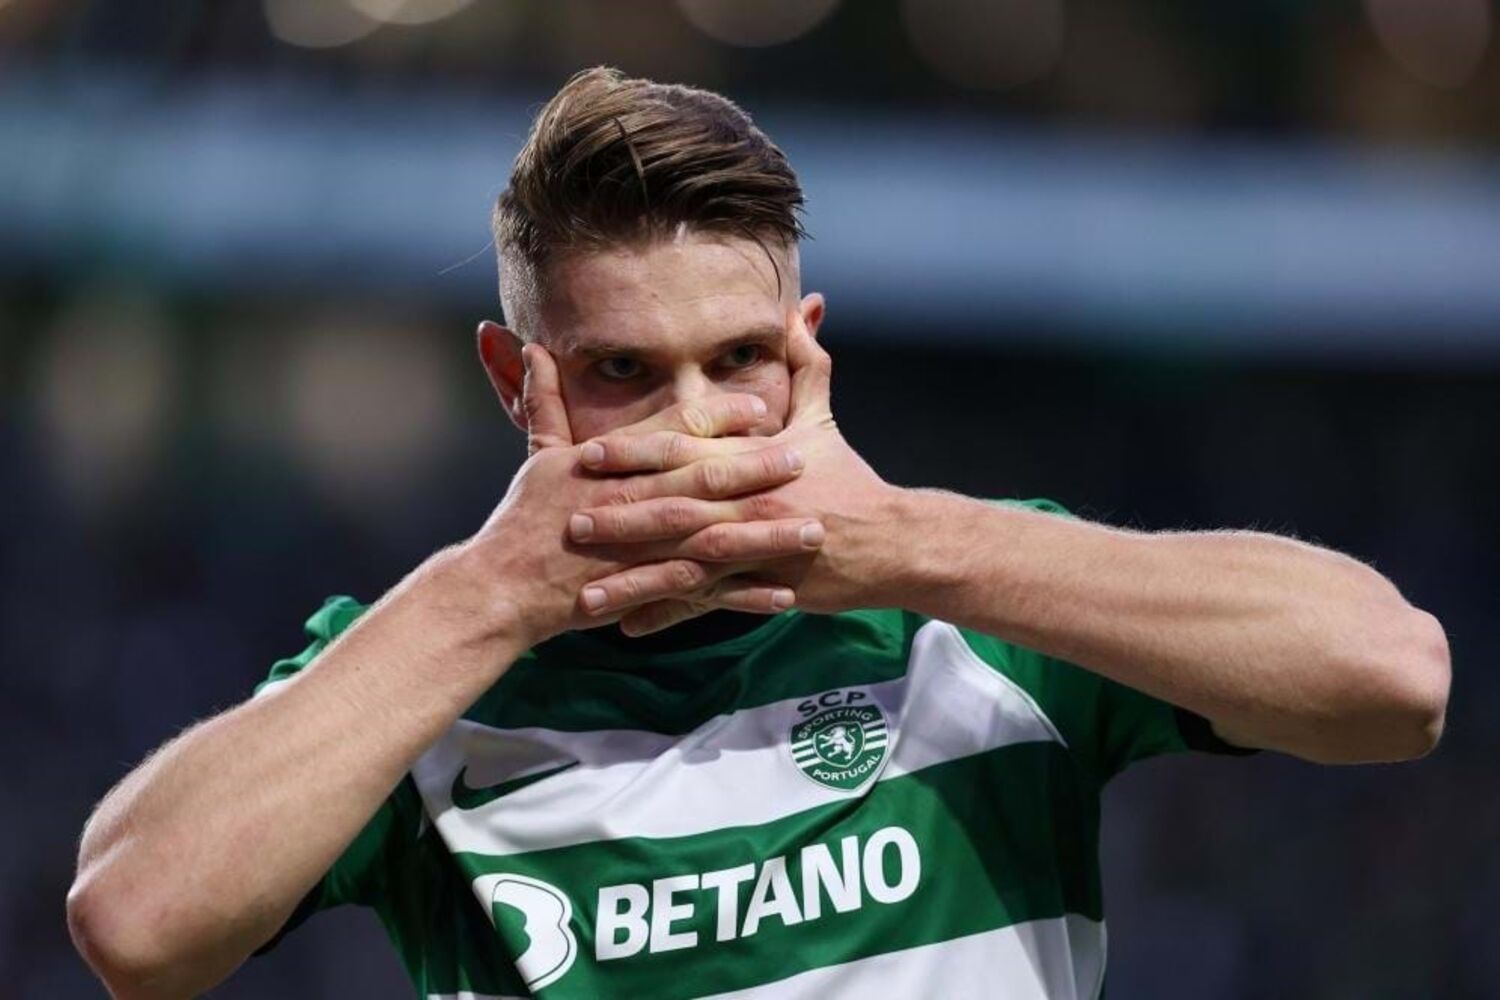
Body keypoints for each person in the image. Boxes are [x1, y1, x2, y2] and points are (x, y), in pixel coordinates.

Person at [67, 66, 1450, 1000]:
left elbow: (1393, 680)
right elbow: (135, 927)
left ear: (806, 349)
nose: (697, 425)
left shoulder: (983, 602)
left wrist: (911, 544)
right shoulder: (422, 679)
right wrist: (492, 592)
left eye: (738, 359)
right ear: (514, 381)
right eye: (622, 371)